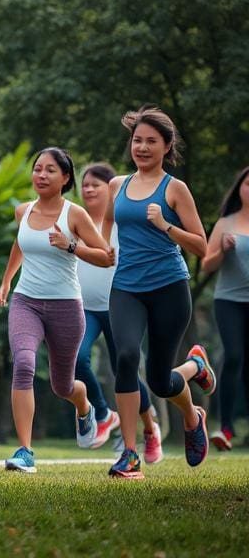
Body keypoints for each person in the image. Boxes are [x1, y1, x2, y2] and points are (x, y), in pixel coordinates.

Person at [103, 105, 213, 479]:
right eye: (138, 140)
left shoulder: (175, 189)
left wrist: (166, 226)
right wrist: (97, 250)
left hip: (169, 287)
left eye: (152, 141)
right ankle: (130, 454)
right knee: (127, 355)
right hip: (126, 287)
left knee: (162, 380)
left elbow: (201, 245)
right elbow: (106, 229)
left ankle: (192, 401)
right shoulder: (117, 185)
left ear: (167, 147)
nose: (143, 147)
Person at [0, 148, 113, 473]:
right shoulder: (24, 211)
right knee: (23, 364)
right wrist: (7, 281)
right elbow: (21, 243)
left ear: (65, 178)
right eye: (37, 169)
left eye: (50, 170)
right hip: (26, 301)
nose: (41, 175)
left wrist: (71, 245)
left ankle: (85, 405)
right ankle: (25, 451)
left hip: (66, 306)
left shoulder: (74, 214)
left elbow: (106, 256)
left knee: (63, 386)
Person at [75, 163, 163, 462]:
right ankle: (102, 413)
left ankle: (150, 429)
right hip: (85, 309)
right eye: (84, 184)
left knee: (124, 369)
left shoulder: (123, 223)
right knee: (76, 358)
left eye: (95, 185)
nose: (88, 189)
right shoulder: (76, 220)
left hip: (118, 307)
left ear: (110, 189)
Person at [202, 166, 249, 451]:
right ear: (239, 187)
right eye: (248, 183)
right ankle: (226, 428)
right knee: (233, 356)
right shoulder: (226, 223)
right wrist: (222, 250)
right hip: (229, 300)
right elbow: (207, 265)